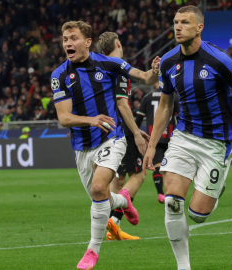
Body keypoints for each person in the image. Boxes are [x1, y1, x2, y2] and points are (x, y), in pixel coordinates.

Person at [142, 6, 232, 270]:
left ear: (199, 28)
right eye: (175, 22)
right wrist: (151, 147)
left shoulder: (218, 60)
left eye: (185, 22)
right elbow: (164, 105)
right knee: (173, 202)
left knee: (197, 215)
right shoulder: (167, 62)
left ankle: (216, 188)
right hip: (184, 136)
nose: (177, 27)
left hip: (216, 142)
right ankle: (183, 266)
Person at [51, 21, 158, 270]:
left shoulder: (108, 63)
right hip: (82, 147)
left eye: (73, 38)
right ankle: (124, 201)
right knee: (101, 196)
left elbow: (145, 77)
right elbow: (64, 118)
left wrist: (154, 70)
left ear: (87, 42)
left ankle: (92, 251)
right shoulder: (59, 75)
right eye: (65, 39)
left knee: (99, 187)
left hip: (112, 138)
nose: (68, 43)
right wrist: (91, 119)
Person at [97, 31, 160, 241]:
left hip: (103, 127)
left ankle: (112, 226)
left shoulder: (98, 66)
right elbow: (122, 104)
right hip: (119, 128)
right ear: (117, 44)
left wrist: (153, 70)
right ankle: (121, 206)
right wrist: (135, 133)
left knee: (119, 176)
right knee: (140, 173)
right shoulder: (119, 67)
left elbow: (147, 78)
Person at [136, 85, 179, 204]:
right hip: (171, 136)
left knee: (158, 164)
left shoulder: (147, 97)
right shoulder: (173, 97)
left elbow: (138, 119)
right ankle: (170, 193)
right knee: (171, 167)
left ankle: (160, 193)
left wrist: (135, 134)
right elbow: (180, 117)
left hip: (154, 136)